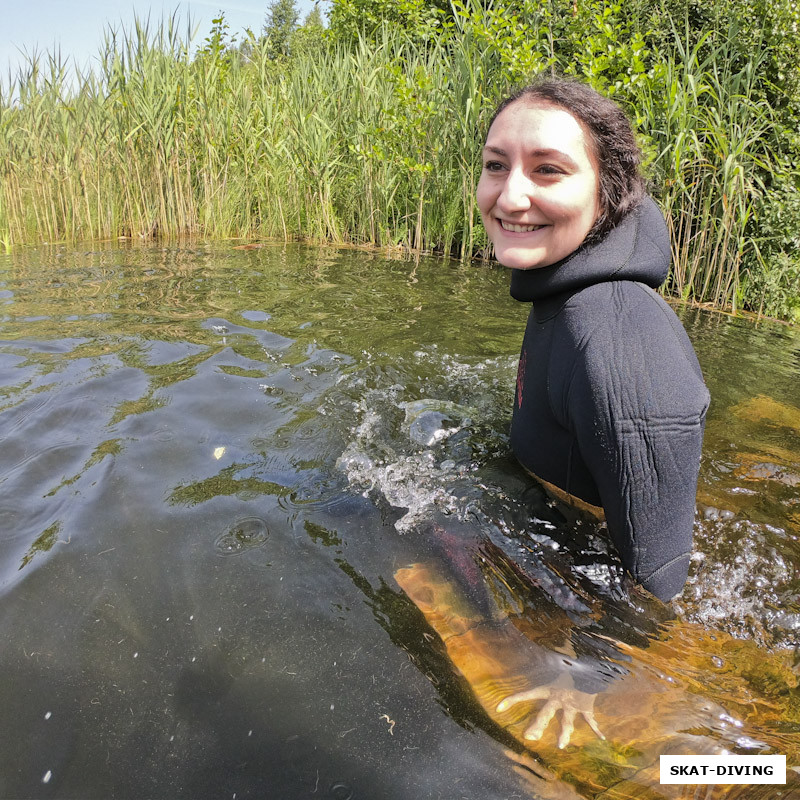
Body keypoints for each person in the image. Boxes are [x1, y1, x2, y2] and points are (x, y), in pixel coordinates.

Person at [476, 80, 709, 605]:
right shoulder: (568, 296)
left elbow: (660, 593)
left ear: (608, 192)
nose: (510, 196)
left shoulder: (617, 336)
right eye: (496, 165)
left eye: (548, 169)